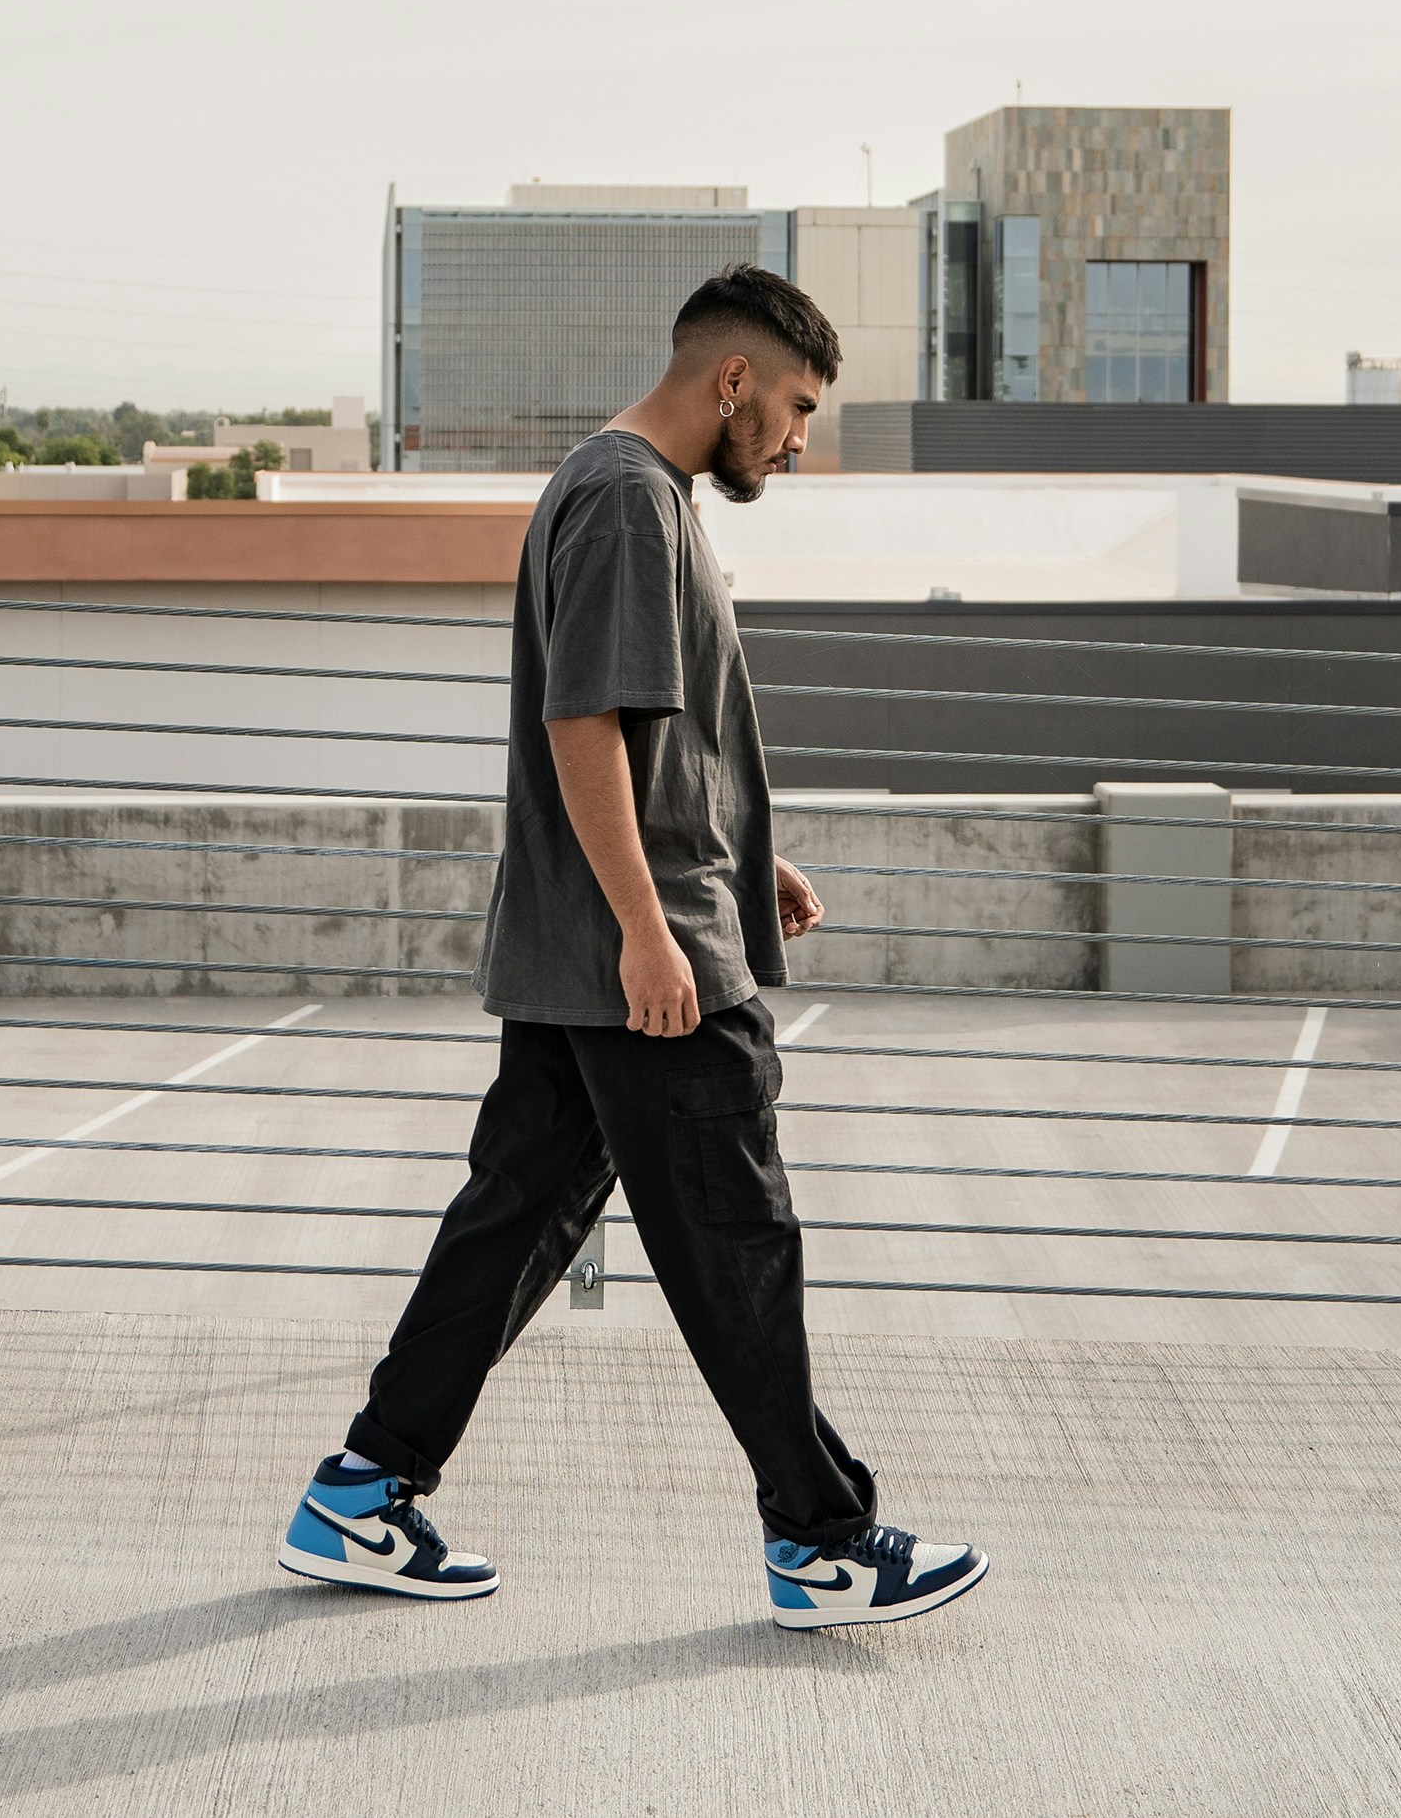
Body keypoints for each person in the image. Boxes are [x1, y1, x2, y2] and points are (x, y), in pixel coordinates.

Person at [278, 263, 986, 1631]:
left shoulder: (629, 492)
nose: (798, 440)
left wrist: (740, 851)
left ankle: (361, 1492)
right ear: (733, 378)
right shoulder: (625, 500)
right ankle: (824, 1542)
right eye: (795, 407)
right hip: (645, 970)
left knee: (515, 1224)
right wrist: (652, 934)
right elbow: (583, 726)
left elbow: (650, 741)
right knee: (736, 1239)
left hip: (587, 951)